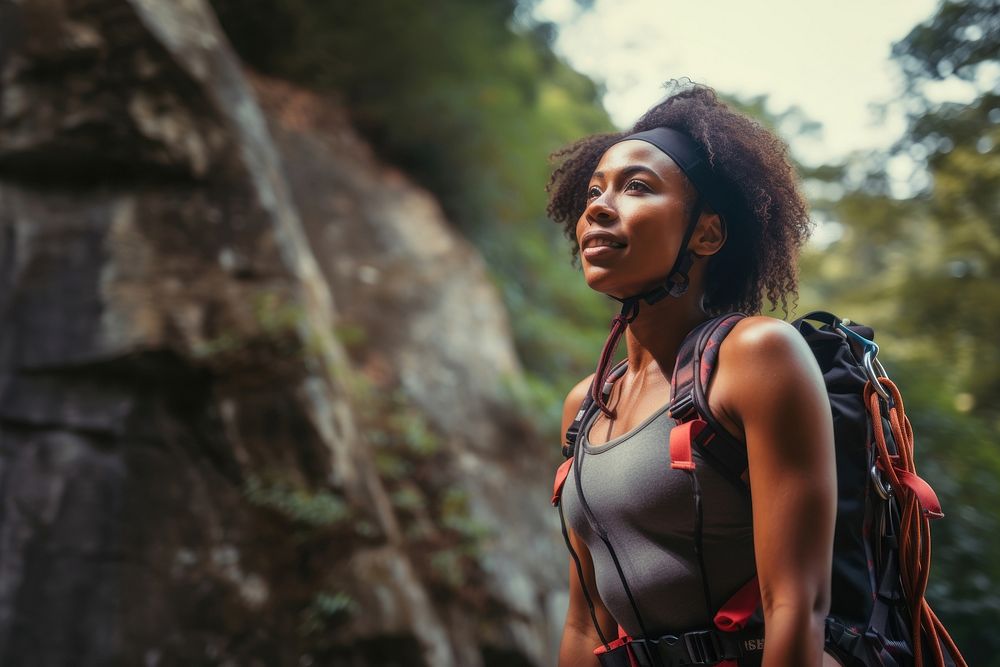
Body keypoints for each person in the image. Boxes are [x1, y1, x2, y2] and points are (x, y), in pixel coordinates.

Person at [548, 82, 841, 666]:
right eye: (594, 191)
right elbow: (586, 628)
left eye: (637, 188)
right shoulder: (586, 406)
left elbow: (796, 607)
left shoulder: (757, 355)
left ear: (706, 233)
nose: (598, 207)